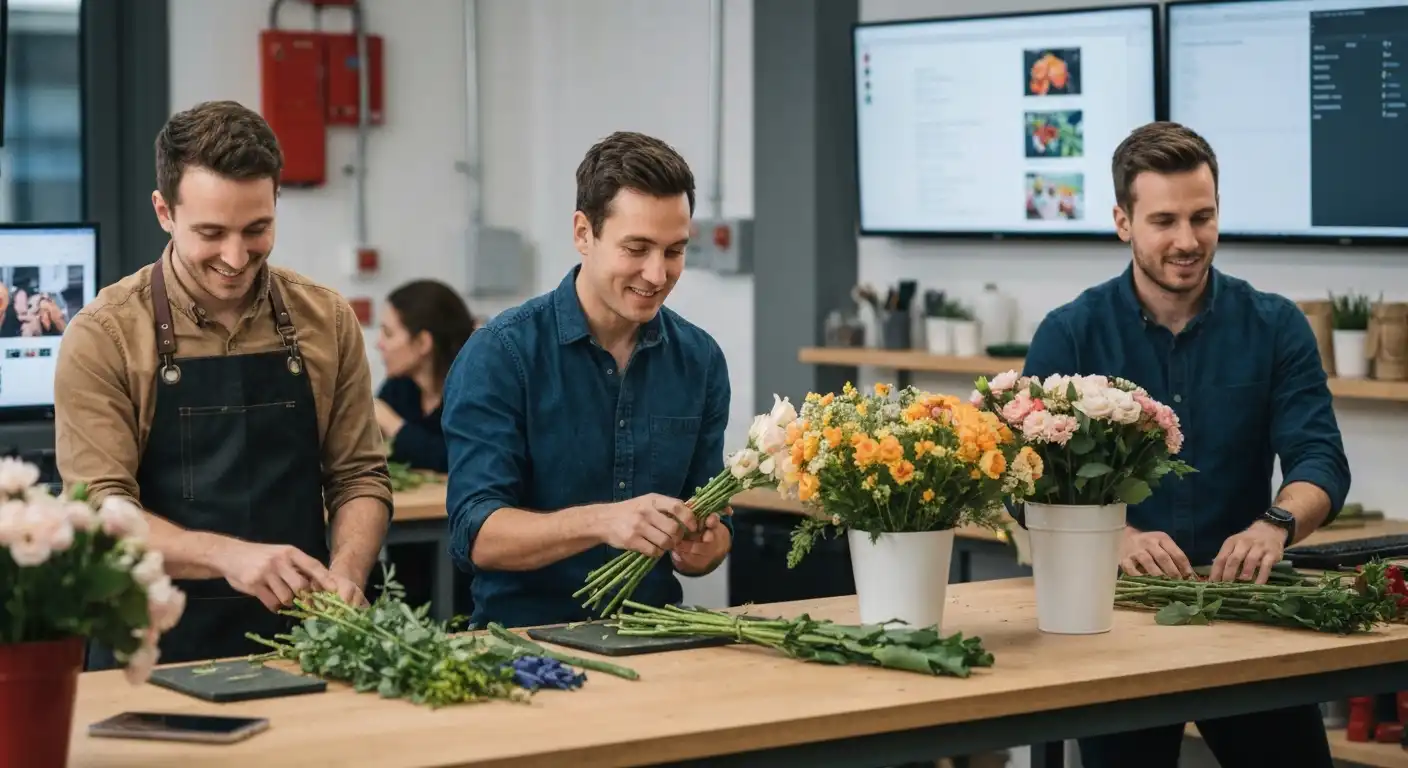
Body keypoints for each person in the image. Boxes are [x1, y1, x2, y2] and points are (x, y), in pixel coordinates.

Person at [1021, 121, 1349, 768]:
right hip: (1117, 615)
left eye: (1203, 217)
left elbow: (1321, 459)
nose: (1187, 240)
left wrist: (1276, 524)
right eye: (1164, 221)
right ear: (1124, 222)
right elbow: (1020, 477)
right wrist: (1112, 537)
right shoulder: (1070, 335)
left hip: (1246, 610)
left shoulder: (1277, 326)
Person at [55, 100, 394, 667]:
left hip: (305, 639)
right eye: (210, 233)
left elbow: (359, 475)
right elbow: (101, 514)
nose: (236, 258)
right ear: (164, 211)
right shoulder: (105, 335)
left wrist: (347, 573)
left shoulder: (327, 320)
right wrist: (226, 556)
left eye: (257, 229)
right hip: (151, 650)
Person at [442, 131, 734, 629]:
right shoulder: (502, 354)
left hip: (657, 636)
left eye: (675, 251)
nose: (658, 273)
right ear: (583, 233)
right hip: (526, 644)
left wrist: (707, 544)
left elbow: (715, 515)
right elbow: (477, 536)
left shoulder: (700, 359)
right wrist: (604, 521)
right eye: (636, 248)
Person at [373, 280, 477, 473]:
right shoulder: (399, 386)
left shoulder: (474, 392)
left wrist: (393, 424)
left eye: (388, 334)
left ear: (423, 343)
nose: (379, 344)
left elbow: (462, 459)